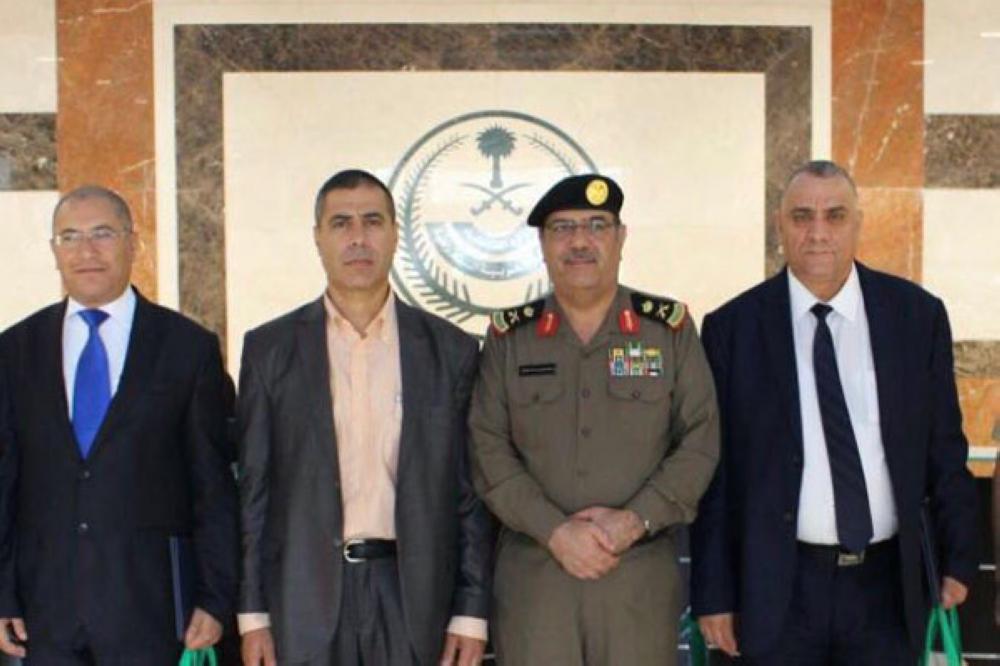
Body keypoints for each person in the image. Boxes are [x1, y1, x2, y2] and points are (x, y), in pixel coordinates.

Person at [690, 160, 979, 664]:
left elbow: (944, 448)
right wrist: (713, 593)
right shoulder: (732, 328)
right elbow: (716, 474)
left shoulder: (916, 316)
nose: (818, 232)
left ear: (859, 223)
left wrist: (959, 558)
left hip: (887, 589)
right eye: (802, 216)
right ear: (780, 226)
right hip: (776, 589)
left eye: (835, 215)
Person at [237, 170, 492, 666]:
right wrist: (253, 614)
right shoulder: (270, 350)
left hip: (414, 598)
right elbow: (253, 493)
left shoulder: (451, 351)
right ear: (318, 238)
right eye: (341, 223)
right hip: (302, 599)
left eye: (373, 221)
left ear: (395, 234)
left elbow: (470, 492)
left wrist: (471, 611)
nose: (358, 238)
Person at [469, 174, 719, 665]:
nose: (580, 241)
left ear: (621, 238)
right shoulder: (509, 339)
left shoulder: (667, 330)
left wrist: (634, 520)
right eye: (563, 228)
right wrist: (555, 531)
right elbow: (486, 447)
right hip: (537, 584)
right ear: (543, 244)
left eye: (597, 226)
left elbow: (700, 440)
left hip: (637, 581)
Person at [0, 185, 239, 664]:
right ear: (54, 251)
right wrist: (3, 592)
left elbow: (213, 485)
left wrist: (215, 597)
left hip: (153, 614)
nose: (86, 251)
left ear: (133, 242)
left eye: (103, 233)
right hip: (45, 616)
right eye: (70, 237)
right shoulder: (15, 350)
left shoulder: (187, 348)